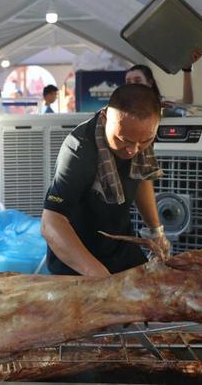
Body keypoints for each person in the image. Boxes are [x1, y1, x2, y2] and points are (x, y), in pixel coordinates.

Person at [41, 84, 171, 276]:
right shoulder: (78, 150)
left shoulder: (139, 134)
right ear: (105, 117)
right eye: (123, 139)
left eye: (144, 142)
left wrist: (156, 231)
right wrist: (98, 274)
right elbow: (51, 222)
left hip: (121, 247)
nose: (132, 150)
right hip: (78, 258)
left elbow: (140, 177)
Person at [125, 49, 202, 104]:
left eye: (138, 80)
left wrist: (187, 70)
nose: (132, 85)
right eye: (128, 82)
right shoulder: (120, 108)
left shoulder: (160, 105)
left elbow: (187, 102)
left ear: (150, 83)